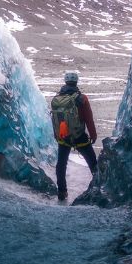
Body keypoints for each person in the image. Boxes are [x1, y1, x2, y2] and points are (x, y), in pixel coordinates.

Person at [50, 70, 98, 202]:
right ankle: (99, 186)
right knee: (93, 163)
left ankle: (62, 192)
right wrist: (93, 135)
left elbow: (55, 119)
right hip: (79, 136)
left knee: (61, 164)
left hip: (63, 136)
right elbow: (89, 119)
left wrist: (57, 135)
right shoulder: (82, 99)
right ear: (76, 82)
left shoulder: (56, 99)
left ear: (65, 82)